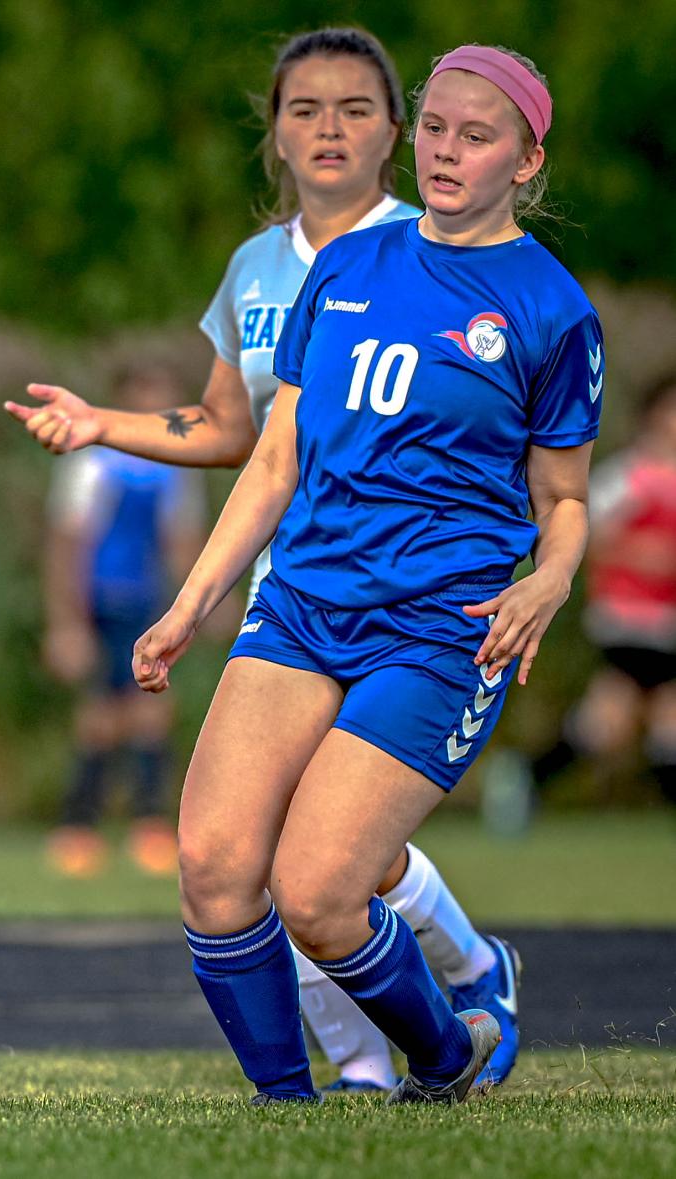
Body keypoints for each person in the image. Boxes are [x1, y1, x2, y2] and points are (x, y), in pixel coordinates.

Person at [8, 29, 523, 1095]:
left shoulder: (445, 243)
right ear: (274, 135)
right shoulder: (254, 269)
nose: (326, 128)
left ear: (396, 128)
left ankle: (463, 976)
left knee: (323, 863)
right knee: (237, 858)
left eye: (351, 108)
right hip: (288, 596)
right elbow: (228, 428)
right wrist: (101, 422)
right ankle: (342, 1081)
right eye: (302, 110)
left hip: (418, 607)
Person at [131, 43, 600, 1105]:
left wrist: (548, 582)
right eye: (433, 125)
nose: (443, 150)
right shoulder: (346, 263)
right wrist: (190, 602)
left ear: (525, 161)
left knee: (319, 891)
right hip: (301, 606)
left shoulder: (549, 309)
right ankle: (288, 1111)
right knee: (212, 865)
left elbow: (563, 501)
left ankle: (445, 1052)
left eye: (474, 136)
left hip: (440, 628)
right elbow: (274, 457)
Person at [485, 373, 676, 824]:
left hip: (667, 620)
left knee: (611, 721)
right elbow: (589, 533)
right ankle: (522, 777)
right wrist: (643, 555)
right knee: (638, 717)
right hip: (627, 619)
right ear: (653, 417)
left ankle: (523, 776)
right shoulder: (630, 476)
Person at [42, 360, 204, 878]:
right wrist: (66, 622)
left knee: (153, 712)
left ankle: (149, 825)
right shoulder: (94, 460)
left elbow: (180, 540)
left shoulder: (174, 466)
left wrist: (198, 605)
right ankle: (78, 829)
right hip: (102, 602)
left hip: (148, 601)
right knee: (102, 717)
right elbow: (68, 543)